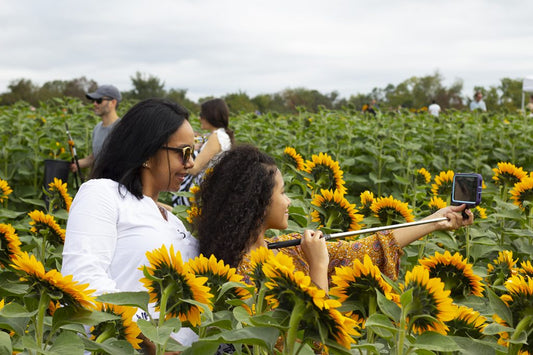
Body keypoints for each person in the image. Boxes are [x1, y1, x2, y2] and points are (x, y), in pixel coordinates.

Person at [194, 144, 474, 291]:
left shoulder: (288, 248)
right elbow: (307, 335)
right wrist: (318, 266)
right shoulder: (235, 275)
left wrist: (434, 221)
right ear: (257, 203)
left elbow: (367, 249)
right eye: (282, 192)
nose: (289, 200)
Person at [61, 98, 199, 348]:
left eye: (194, 152)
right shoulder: (103, 194)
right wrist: (150, 340)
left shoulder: (175, 222)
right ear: (147, 151)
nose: (190, 163)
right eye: (184, 152)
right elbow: (82, 277)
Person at [173, 98, 234, 206]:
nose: (199, 118)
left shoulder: (216, 138)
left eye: (201, 114)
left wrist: (186, 150)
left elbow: (193, 169)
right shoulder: (216, 135)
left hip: (197, 193)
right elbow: (197, 140)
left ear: (211, 116)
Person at [71, 84, 122, 173]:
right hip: (100, 183)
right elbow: (95, 157)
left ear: (113, 102)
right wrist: (77, 164)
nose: (94, 104)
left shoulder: (123, 128)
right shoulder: (97, 128)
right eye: (93, 101)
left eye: (99, 100)